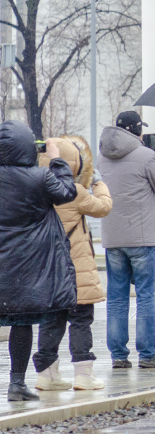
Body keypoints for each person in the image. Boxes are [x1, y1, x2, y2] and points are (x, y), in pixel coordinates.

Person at [0, 121, 77, 402]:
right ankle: (16, 384)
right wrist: (57, 159)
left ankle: (18, 384)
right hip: (29, 266)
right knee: (22, 323)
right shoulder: (40, 177)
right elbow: (67, 192)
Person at [31, 138, 112, 391]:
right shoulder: (74, 193)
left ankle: (47, 375)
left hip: (49, 270)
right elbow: (103, 208)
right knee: (80, 320)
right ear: (73, 163)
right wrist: (98, 183)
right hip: (77, 271)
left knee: (51, 320)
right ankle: (83, 374)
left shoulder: (36, 191)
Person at [98, 110, 155, 370]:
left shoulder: (102, 158)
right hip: (142, 238)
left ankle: (118, 355)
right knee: (146, 296)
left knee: (117, 297)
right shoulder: (146, 156)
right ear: (137, 131)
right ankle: (148, 355)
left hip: (112, 237)